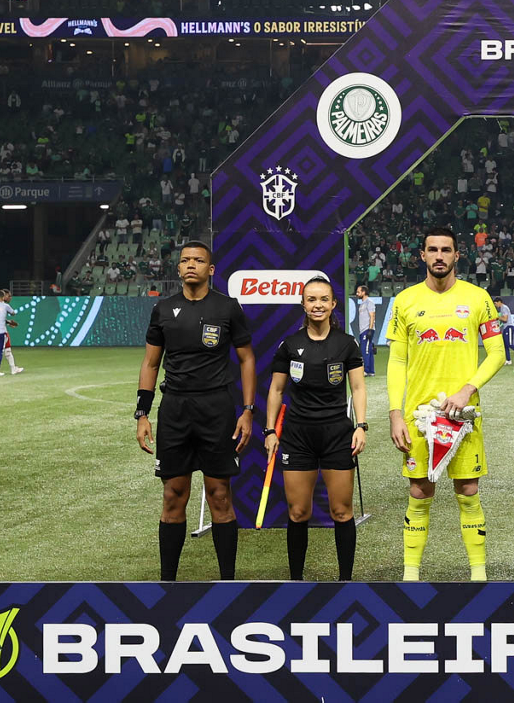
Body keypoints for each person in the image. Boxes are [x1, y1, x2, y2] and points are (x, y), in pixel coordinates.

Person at [387, 227, 505, 581]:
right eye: (433, 250)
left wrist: (467, 390)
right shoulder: (404, 300)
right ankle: (410, 576)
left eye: (446, 250)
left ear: (457, 255)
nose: (439, 256)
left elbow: (497, 354)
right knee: (419, 492)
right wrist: (395, 414)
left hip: (464, 416)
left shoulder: (478, 298)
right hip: (419, 416)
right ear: (422, 255)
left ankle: (478, 576)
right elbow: (397, 361)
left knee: (468, 491)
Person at [135, 240, 256, 581]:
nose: (191, 265)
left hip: (216, 409)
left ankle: (227, 582)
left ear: (210, 269)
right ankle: (168, 583)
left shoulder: (228, 308)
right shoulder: (163, 309)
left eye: (199, 260)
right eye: (186, 260)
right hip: (175, 410)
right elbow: (150, 363)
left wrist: (248, 410)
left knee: (220, 495)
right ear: (178, 268)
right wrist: (142, 414)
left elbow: (247, 359)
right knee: (173, 495)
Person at [265, 277, 367, 581]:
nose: (318, 305)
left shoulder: (346, 344)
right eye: (311, 299)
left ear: (333, 304)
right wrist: (270, 431)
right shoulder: (289, 345)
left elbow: (358, 388)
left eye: (324, 299)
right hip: (298, 437)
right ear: (303, 304)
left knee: (342, 512)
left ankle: (345, 581)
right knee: (298, 512)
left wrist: (361, 426)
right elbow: (276, 390)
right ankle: (296, 582)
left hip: (337, 435)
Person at [355, 284, 377, 376]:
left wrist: (370, 330)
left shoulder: (369, 302)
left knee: (365, 350)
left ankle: (366, 370)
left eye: (358, 292)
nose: (357, 294)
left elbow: (372, 315)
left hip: (367, 329)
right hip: (363, 330)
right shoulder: (362, 304)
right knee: (369, 350)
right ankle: (371, 371)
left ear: (364, 292)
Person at [1, 291, 24, 375]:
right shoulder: (4, 305)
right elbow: (13, 313)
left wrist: (8, 322)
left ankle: (13, 369)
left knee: (7, 350)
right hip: (0, 332)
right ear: (4, 296)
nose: (10, 298)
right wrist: (9, 321)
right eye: (9, 296)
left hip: (0, 331)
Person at [494, 297, 514, 365]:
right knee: (505, 345)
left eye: (495, 303)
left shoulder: (504, 307)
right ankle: (508, 360)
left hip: (509, 327)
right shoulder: (502, 308)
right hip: (506, 328)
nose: (495, 305)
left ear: (499, 302)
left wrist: (497, 317)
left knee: (510, 344)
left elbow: (505, 319)